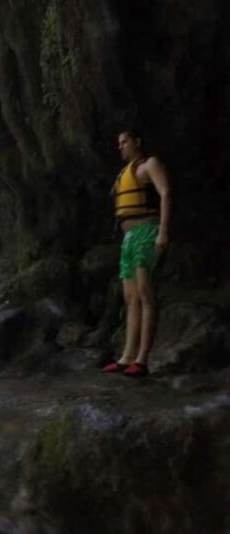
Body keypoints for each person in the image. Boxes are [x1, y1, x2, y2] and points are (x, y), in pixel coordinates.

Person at [101, 128, 171, 378]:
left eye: (124, 141)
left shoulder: (149, 164)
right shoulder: (124, 173)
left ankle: (142, 359)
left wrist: (163, 232)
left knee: (144, 293)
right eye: (118, 143)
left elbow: (164, 193)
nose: (120, 146)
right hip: (128, 238)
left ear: (137, 141)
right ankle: (126, 357)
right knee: (130, 297)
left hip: (147, 231)